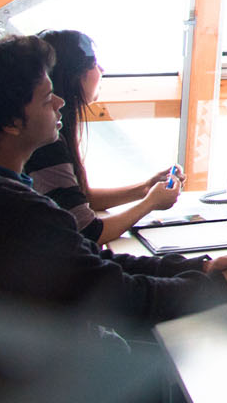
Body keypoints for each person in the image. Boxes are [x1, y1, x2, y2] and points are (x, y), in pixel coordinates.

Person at [0, 34, 227, 403]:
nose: (59, 102)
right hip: (48, 400)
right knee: (224, 392)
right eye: (46, 98)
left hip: (26, 371)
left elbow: (92, 263)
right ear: (10, 123)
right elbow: (126, 300)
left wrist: (200, 267)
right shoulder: (14, 210)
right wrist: (216, 284)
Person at [27, 29, 179, 245]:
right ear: (74, 75)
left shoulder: (48, 133)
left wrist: (144, 189)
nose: (102, 70)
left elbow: (77, 199)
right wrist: (150, 203)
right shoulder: (47, 144)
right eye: (94, 64)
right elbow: (89, 232)